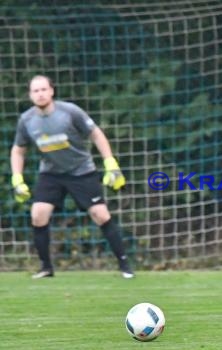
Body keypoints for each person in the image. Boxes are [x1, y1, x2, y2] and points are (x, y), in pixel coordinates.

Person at [10, 75, 134, 279]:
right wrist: (17, 179)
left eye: (43, 89)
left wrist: (110, 162)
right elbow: (18, 150)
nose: (40, 94)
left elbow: (96, 134)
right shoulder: (27, 120)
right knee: (38, 215)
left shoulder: (70, 112)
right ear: (30, 95)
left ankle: (125, 266)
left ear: (52, 91)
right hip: (51, 173)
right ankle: (46, 268)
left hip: (81, 171)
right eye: (35, 91)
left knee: (100, 215)